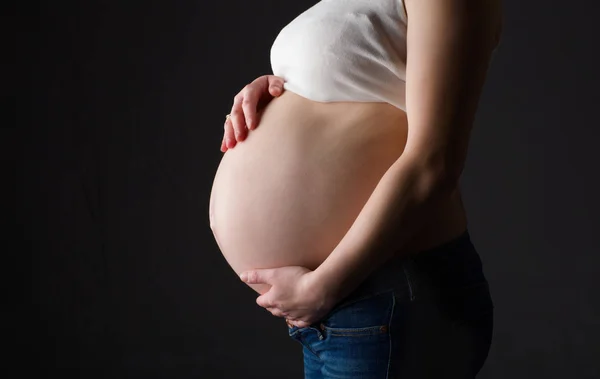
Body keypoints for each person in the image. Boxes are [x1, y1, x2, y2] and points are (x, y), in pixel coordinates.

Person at [210, 0, 503, 377]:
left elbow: (434, 164)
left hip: (384, 293)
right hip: (346, 303)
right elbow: (363, 73)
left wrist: (322, 287)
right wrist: (280, 86)